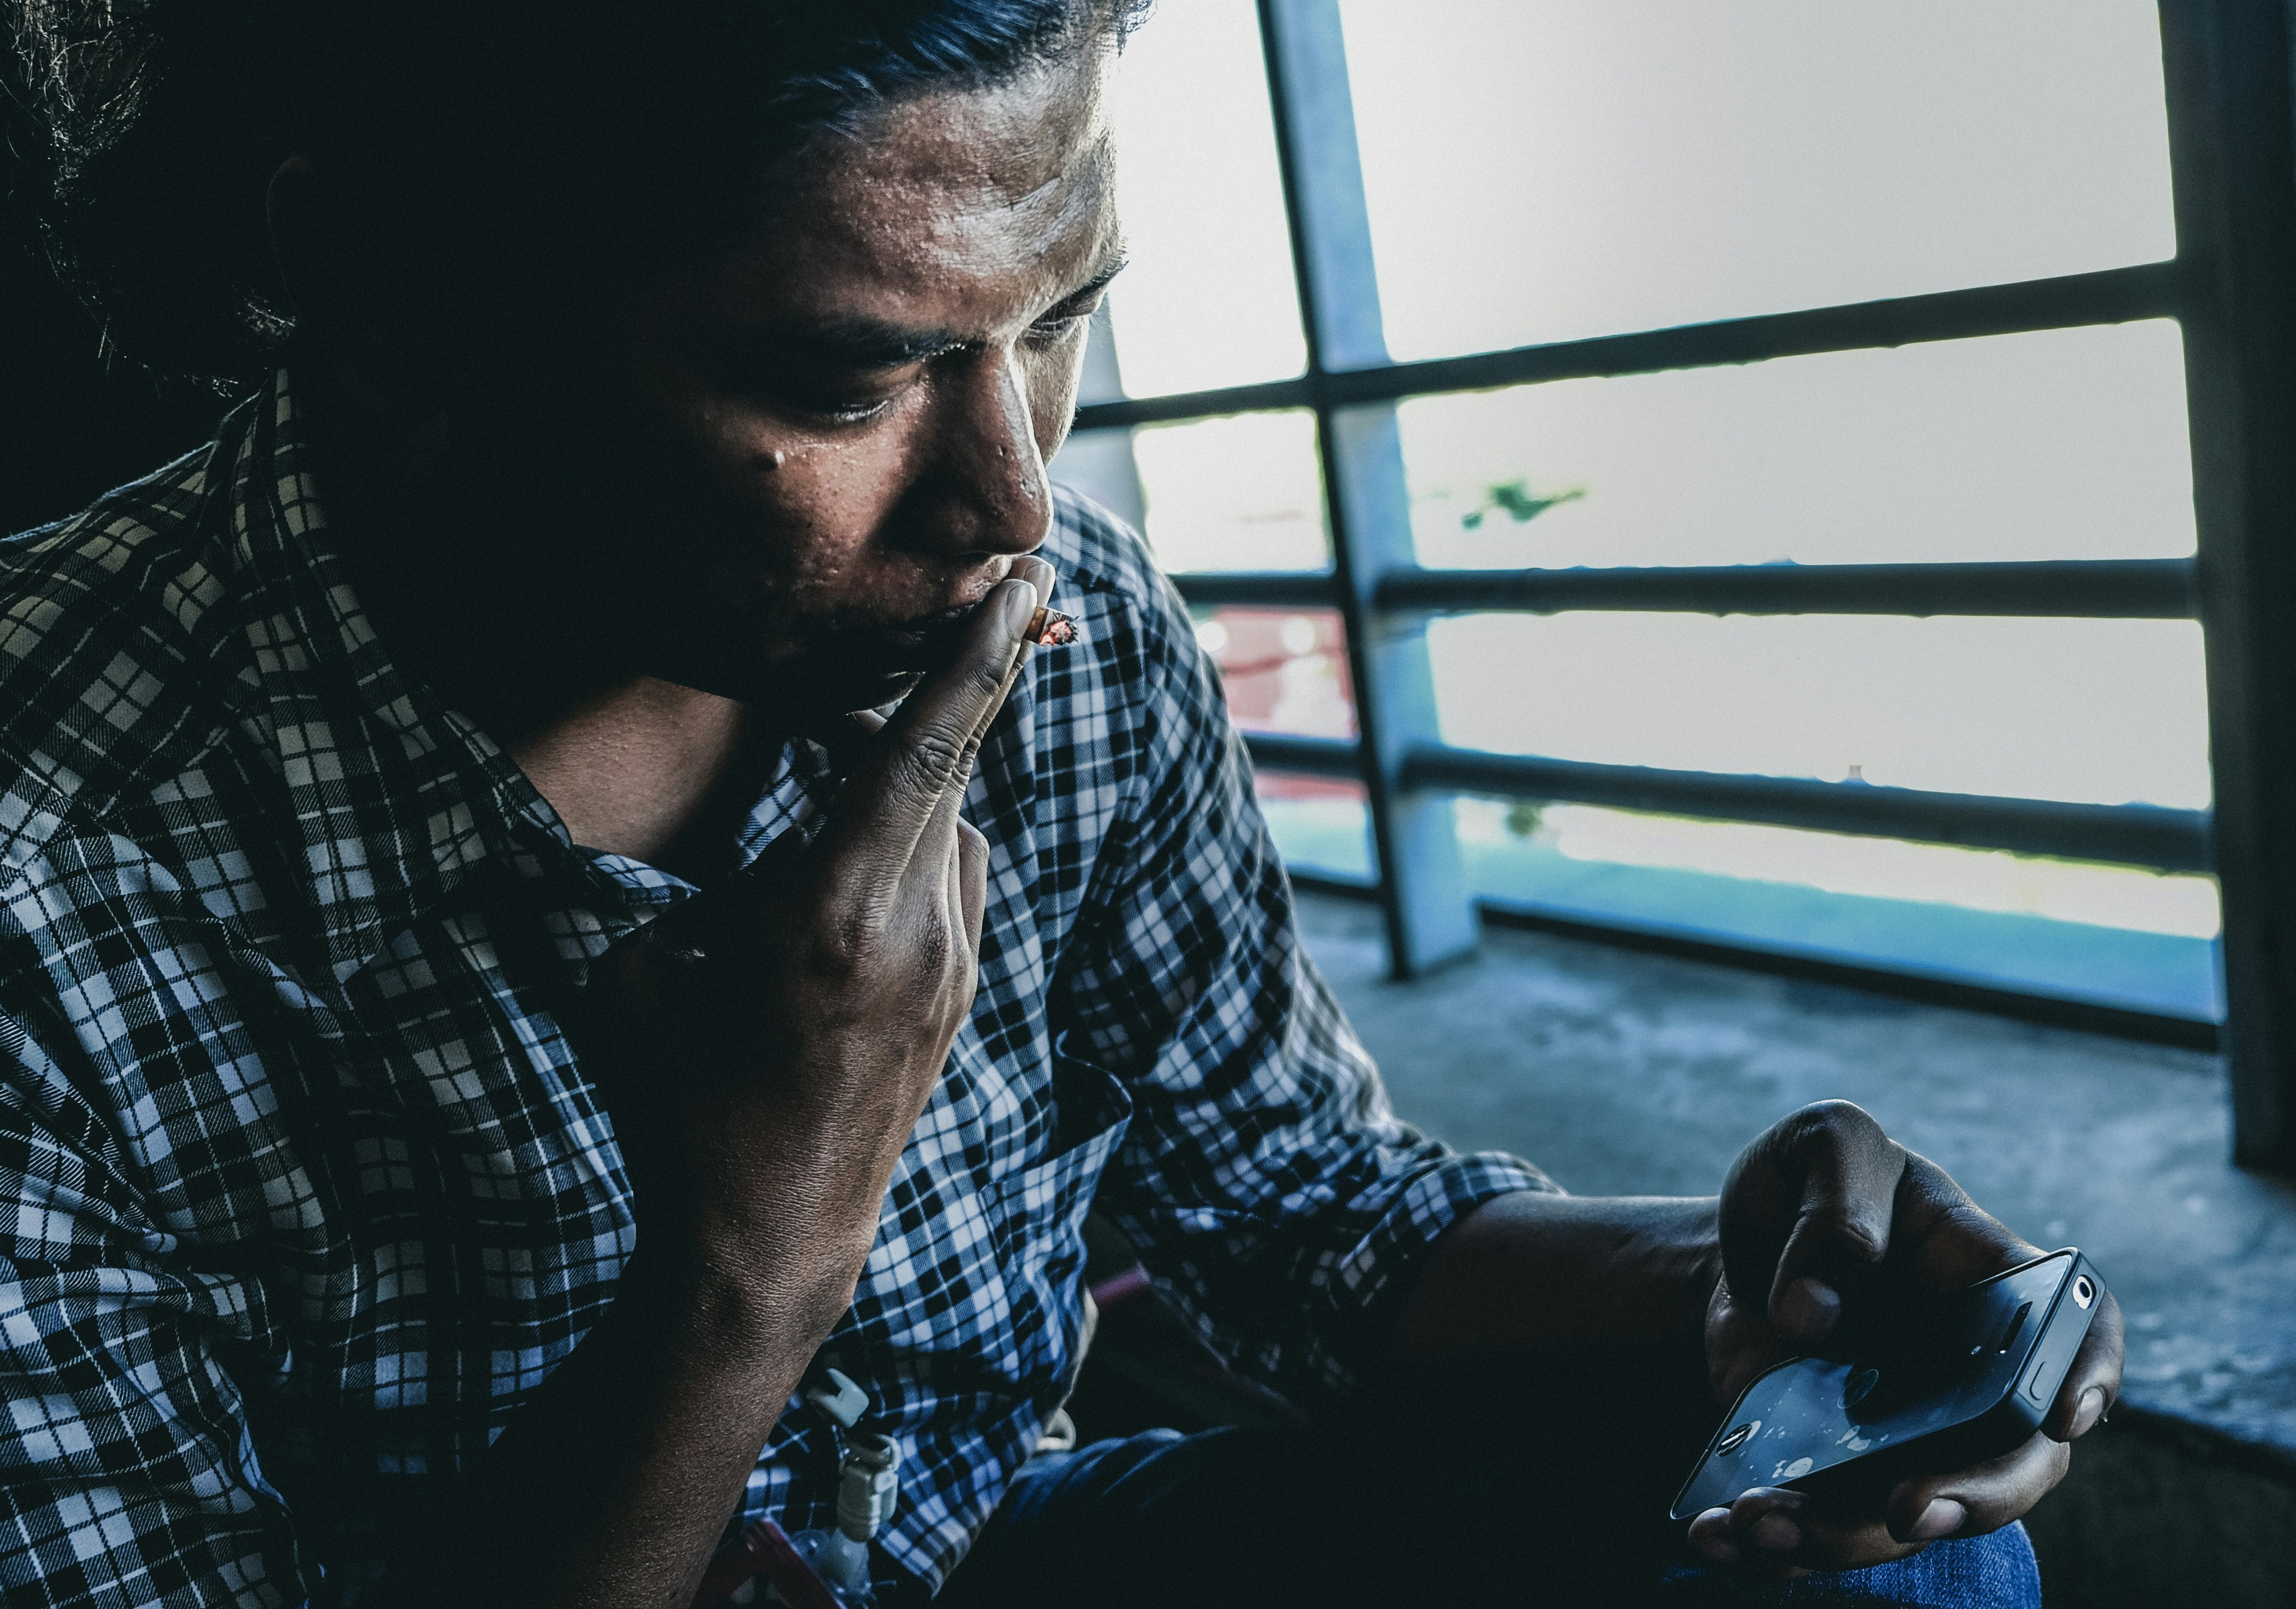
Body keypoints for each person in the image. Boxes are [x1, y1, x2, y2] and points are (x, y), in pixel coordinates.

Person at [0, 3, 2123, 1605]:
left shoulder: (1059, 623)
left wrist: (1752, 1286)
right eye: (850, 381)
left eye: (1062, 323)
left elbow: (1306, 1212)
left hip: (989, 1557)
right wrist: (762, 1233)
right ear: (399, 293)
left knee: (1888, 1563)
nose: (1014, 495)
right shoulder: (51, 873)